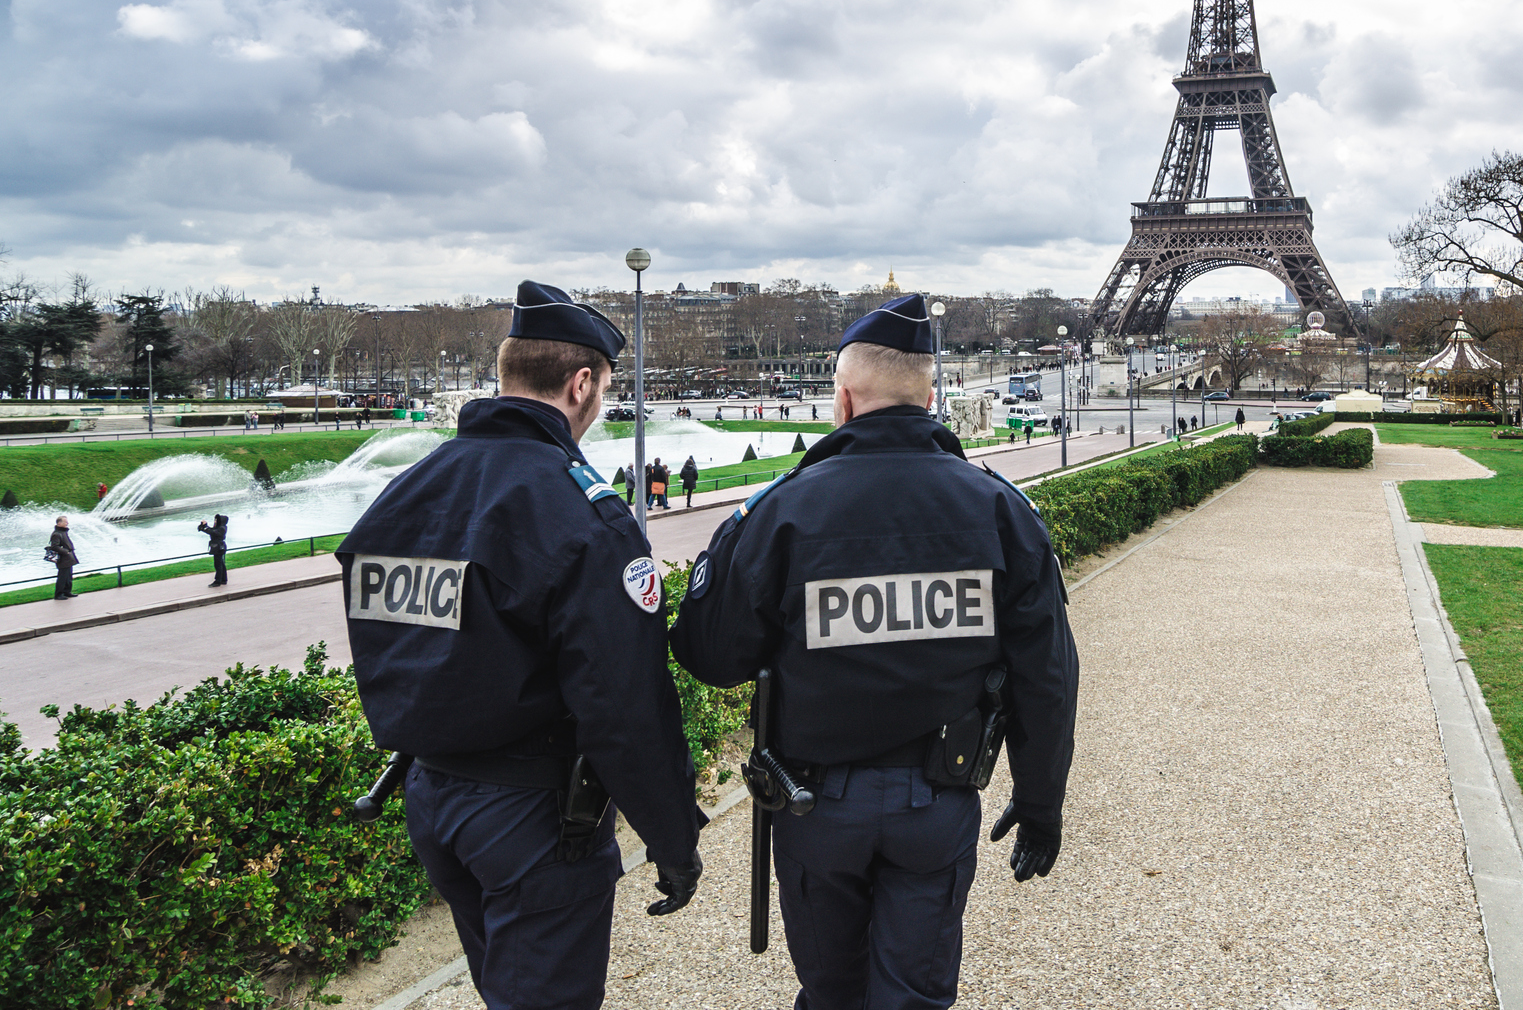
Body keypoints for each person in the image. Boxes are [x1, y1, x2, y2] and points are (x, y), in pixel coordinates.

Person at [671, 293, 1078, 1010]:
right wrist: (1041, 798)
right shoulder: (999, 509)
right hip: (938, 798)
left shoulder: (784, 511)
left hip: (814, 804)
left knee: (829, 992)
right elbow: (1046, 674)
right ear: (929, 396)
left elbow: (710, 655)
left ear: (843, 400)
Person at [337, 281, 704, 1010]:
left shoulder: (409, 489)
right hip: (532, 815)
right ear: (581, 383)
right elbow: (624, 705)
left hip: (432, 798)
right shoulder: (579, 510)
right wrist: (673, 838)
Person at [47, 518, 77, 599]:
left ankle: (67, 592)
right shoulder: (57, 534)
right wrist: (65, 551)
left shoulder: (62, 532)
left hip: (68, 557)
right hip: (63, 558)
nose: (67, 523)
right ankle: (59, 594)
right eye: (65, 522)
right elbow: (54, 546)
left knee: (68, 576)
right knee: (63, 577)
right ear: (59, 523)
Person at [198, 513, 230, 586]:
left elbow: (212, 532)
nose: (215, 521)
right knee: (221, 564)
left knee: (218, 564)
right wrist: (204, 526)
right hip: (218, 547)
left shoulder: (222, 528)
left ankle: (218, 581)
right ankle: (223, 579)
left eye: (216, 520)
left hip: (219, 547)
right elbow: (211, 531)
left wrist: (205, 528)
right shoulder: (219, 527)